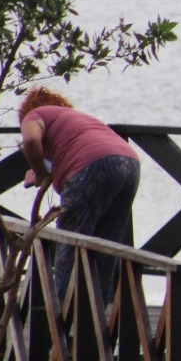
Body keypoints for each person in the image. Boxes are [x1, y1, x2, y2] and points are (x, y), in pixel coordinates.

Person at [18, 87, 142, 307]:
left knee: (69, 242)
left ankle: (65, 319)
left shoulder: (34, 114)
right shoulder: (76, 119)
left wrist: (38, 172)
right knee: (106, 245)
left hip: (93, 164)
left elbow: (30, 142)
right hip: (130, 164)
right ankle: (96, 319)